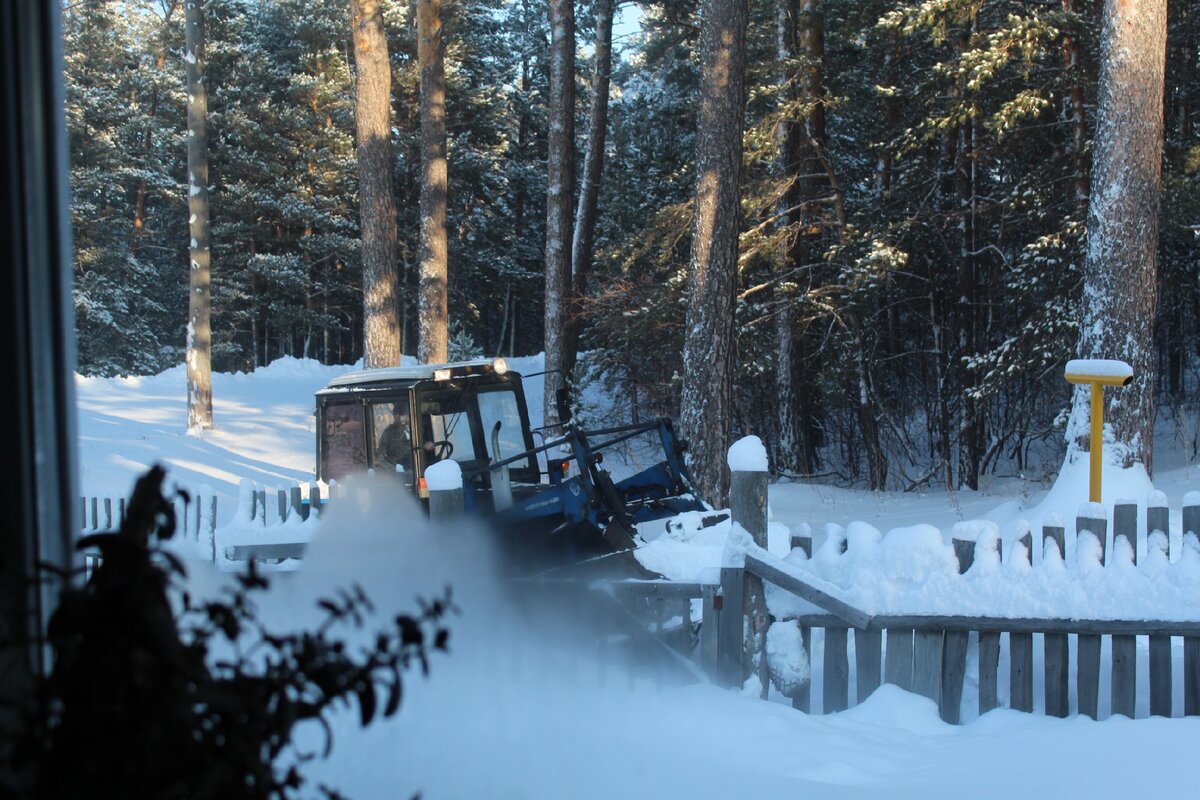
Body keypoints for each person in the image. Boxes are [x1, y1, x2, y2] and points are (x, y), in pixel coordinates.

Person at [375, 404, 411, 472]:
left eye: (402, 415)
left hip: (414, 466)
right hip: (394, 468)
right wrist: (391, 468)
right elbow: (381, 453)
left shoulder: (414, 429)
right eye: (396, 414)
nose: (400, 418)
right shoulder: (389, 432)